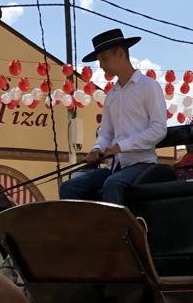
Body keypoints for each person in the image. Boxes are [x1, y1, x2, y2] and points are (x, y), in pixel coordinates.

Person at [59, 29, 168, 204]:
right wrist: (97, 149)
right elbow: (106, 133)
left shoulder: (149, 86)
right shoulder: (112, 96)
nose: (101, 65)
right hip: (115, 167)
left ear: (120, 53)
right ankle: (81, 231)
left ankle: (118, 231)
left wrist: (121, 146)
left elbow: (159, 129)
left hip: (142, 165)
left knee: (113, 184)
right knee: (68, 187)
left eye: (104, 58)